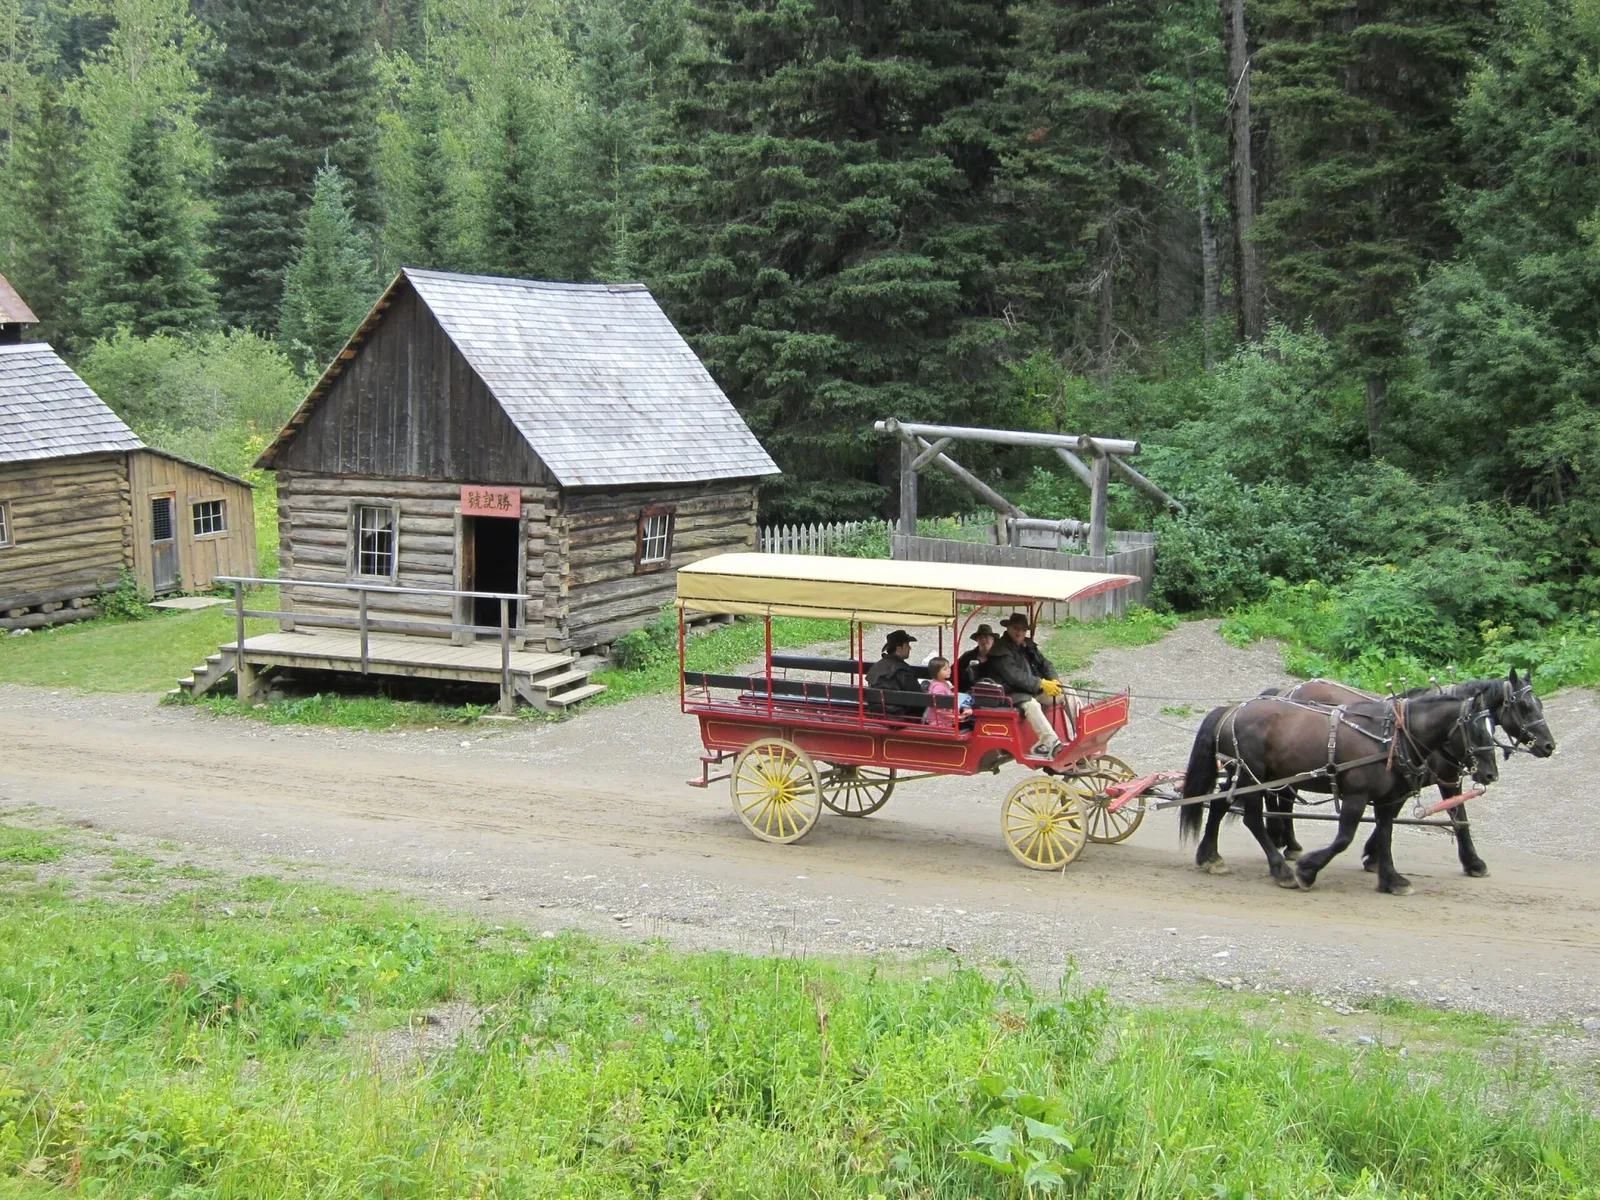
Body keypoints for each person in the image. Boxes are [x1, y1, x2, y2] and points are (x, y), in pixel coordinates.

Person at [983, 612, 1077, 757]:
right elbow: (1015, 677)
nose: (1019, 632)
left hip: (1029, 689)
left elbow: (1045, 663)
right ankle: (1049, 743)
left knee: (1067, 691)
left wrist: (1053, 679)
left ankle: (1081, 731)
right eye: (1016, 628)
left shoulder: (1027, 645)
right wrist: (1041, 683)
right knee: (1031, 704)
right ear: (1008, 628)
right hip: (1009, 693)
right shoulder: (1000, 650)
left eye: (1023, 629)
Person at [865, 629, 923, 714]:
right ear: (899, 648)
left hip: (878, 713)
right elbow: (918, 697)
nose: (910, 648)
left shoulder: (878, 666)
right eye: (907, 645)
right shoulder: (903, 670)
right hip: (901, 716)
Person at [921, 656, 972, 728]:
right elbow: (939, 710)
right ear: (937, 673)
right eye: (945, 669)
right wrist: (956, 717)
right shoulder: (938, 688)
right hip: (938, 722)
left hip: (946, 718)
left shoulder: (943, 682)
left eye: (948, 667)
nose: (949, 670)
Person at [957, 624, 999, 689]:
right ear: (977, 640)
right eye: (980, 638)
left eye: (986, 637)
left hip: (993, 693)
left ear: (993, 640)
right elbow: (953, 672)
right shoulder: (967, 656)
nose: (983, 640)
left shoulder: (999, 657)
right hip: (968, 693)